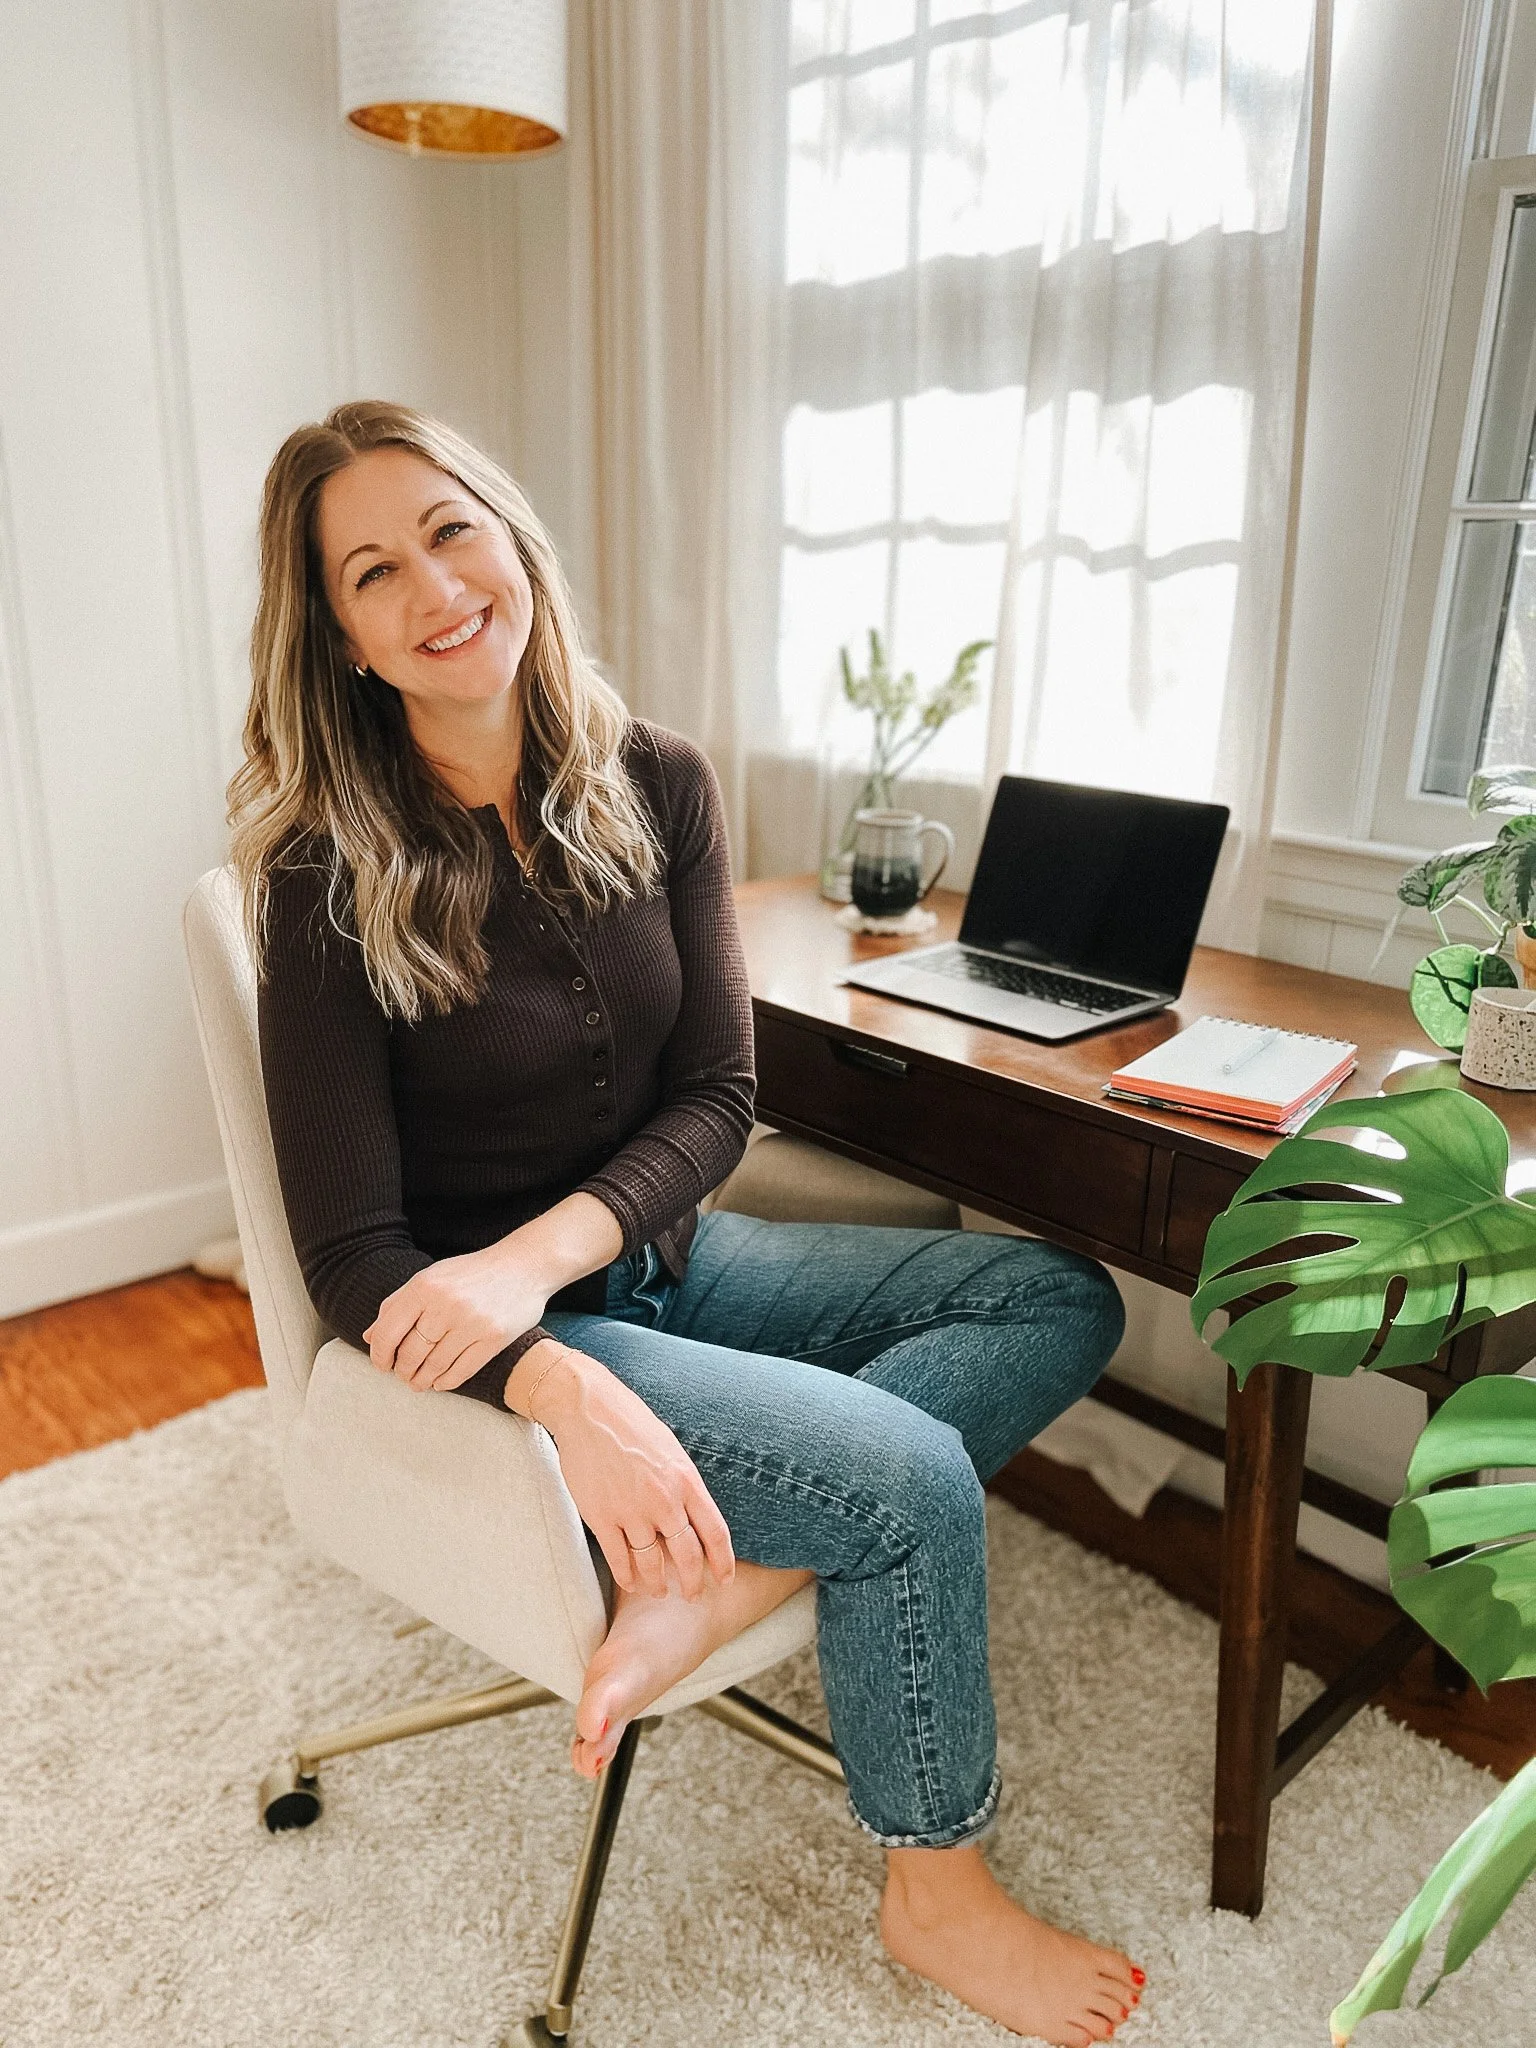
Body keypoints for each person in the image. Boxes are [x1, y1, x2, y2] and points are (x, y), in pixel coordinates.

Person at [234, 400, 1145, 2046]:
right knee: (906, 1479)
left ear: (510, 537)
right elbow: (355, 1257)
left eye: (449, 529)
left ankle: (711, 1584)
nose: (434, 587)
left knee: (1060, 1297)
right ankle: (936, 1887)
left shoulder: (657, 778)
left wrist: (549, 1250)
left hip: (656, 1260)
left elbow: (719, 1096)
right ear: (346, 641)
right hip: (504, 1344)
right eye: (372, 573)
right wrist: (557, 1376)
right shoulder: (322, 872)